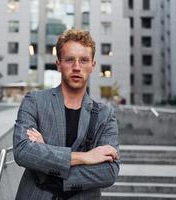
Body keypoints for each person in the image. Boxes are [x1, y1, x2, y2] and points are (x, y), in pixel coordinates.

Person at [13, 29, 119, 200]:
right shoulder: (34, 101)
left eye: (84, 60)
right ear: (58, 64)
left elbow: (109, 172)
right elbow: (23, 151)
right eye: (70, 60)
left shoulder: (105, 115)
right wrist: (86, 157)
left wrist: (45, 159)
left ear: (93, 65)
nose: (77, 67)